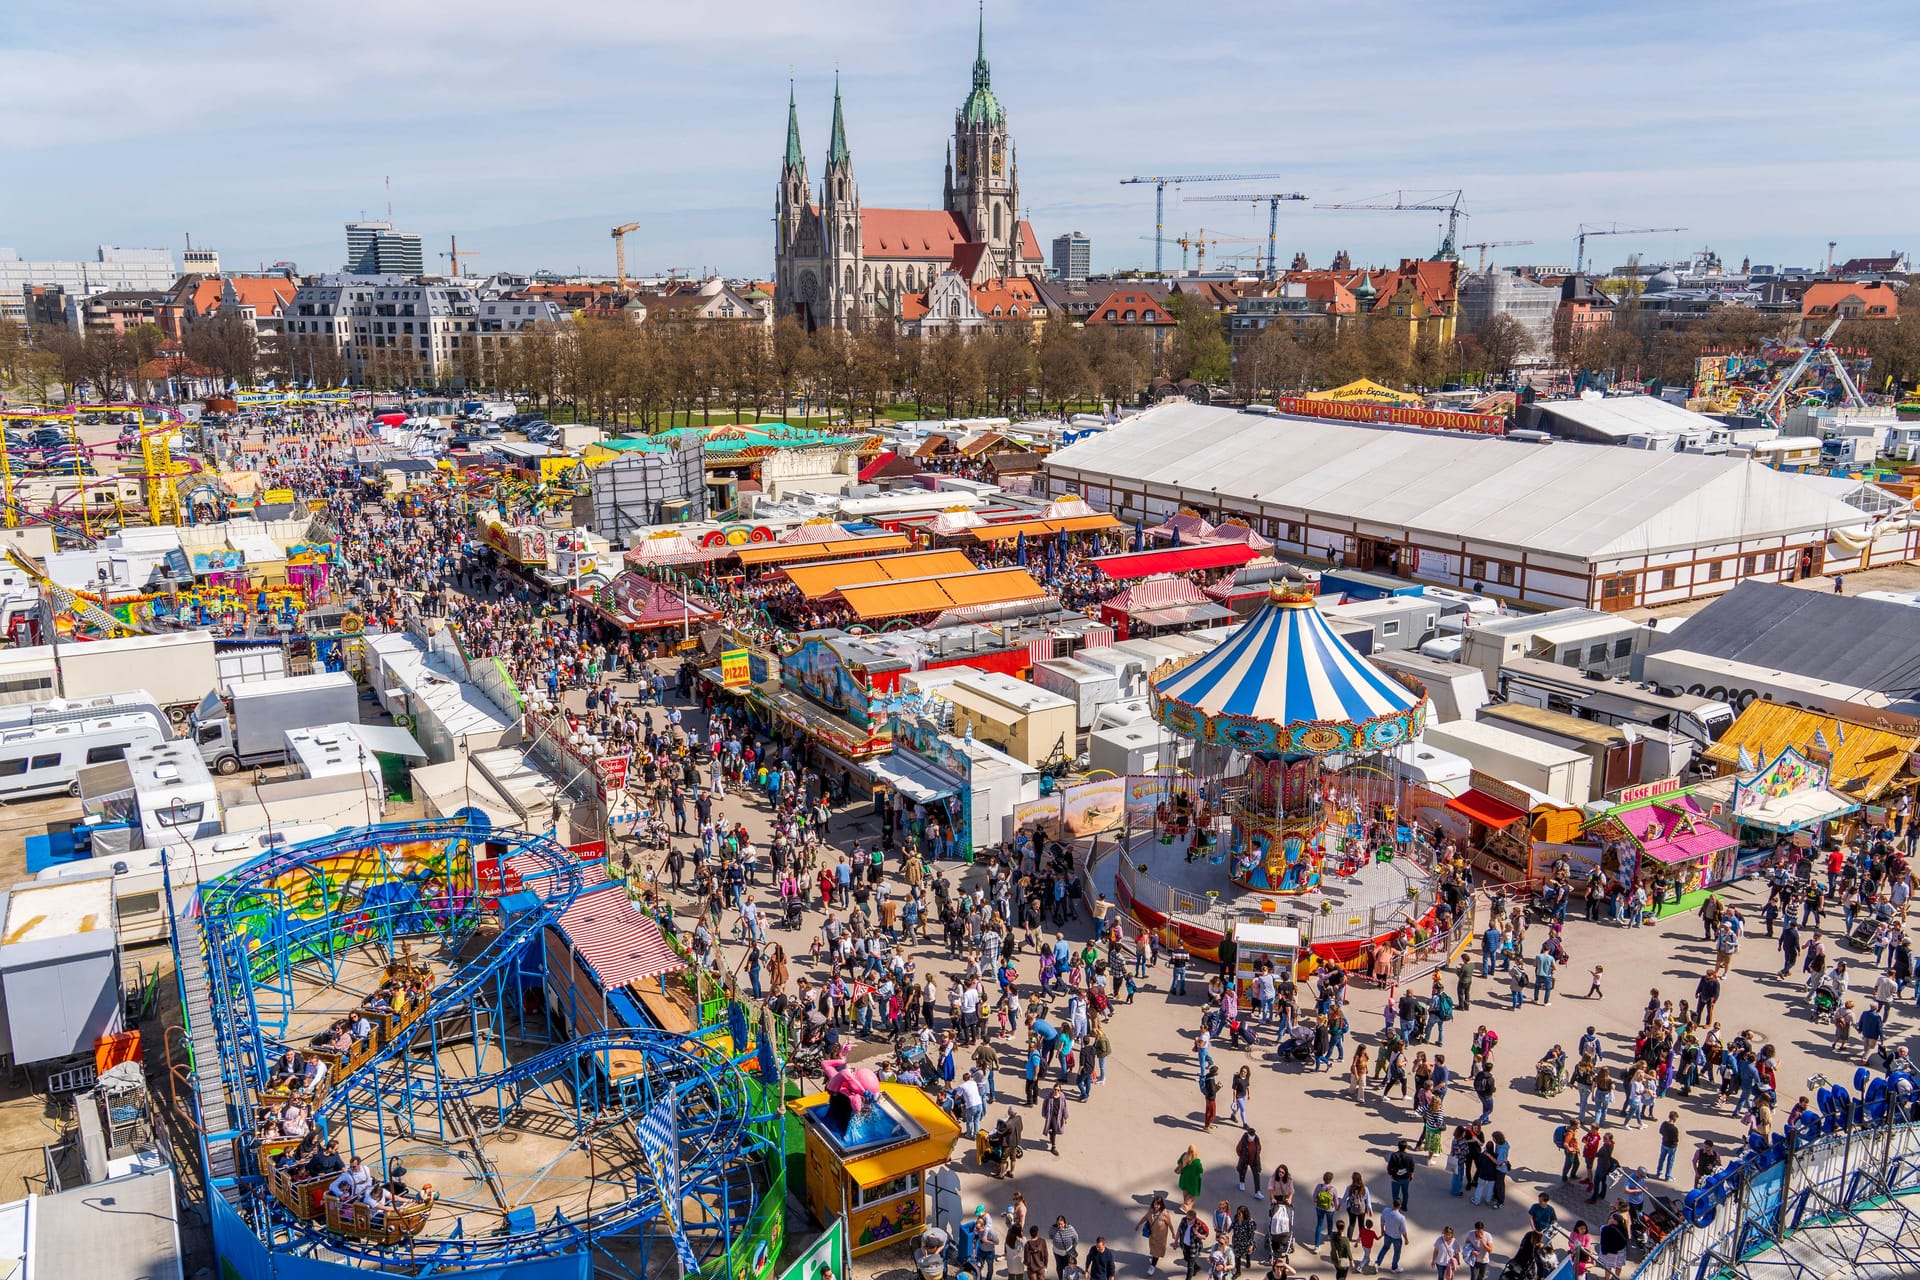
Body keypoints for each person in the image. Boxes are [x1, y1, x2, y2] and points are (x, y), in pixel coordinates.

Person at [1140, 1197, 1175, 1276]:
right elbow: (1145, 1217)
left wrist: (1173, 1234)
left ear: (1161, 1205)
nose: (1156, 1206)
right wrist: (1138, 1224)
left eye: (1158, 1205)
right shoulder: (1150, 1210)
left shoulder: (1165, 1213)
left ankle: (1152, 1266)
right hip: (1152, 1235)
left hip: (1161, 1237)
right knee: (1152, 1248)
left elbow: (1170, 1224)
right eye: (1155, 1204)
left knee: (1157, 1252)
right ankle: (1153, 1258)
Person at [1375, 1203, 1407, 1273]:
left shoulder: (1385, 1210)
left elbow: (1382, 1221)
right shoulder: (1401, 1217)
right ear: (1400, 1206)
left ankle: (1377, 1263)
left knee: (1385, 1248)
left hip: (1387, 1234)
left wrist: (1382, 1230)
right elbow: (1403, 1231)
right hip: (1396, 1238)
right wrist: (1406, 1239)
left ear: (1393, 1204)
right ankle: (1394, 1267)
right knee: (1397, 1252)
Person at [1386, 1140, 1415, 1210]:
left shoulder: (1394, 1155)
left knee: (1395, 1194)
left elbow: (1389, 1167)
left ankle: (1396, 1205)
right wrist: (1412, 1174)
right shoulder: (1409, 1156)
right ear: (1406, 1147)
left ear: (1398, 1147)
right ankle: (1404, 1206)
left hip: (1396, 1178)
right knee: (1405, 1193)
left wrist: (1390, 1175)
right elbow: (1412, 1167)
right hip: (1406, 1178)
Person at [1050, 1215, 1080, 1280]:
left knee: (1067, 1267)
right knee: (1059, 1267)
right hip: (1057, 1252)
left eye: (1061, 1224)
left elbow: (1076, 1238)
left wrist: (1073, 1248)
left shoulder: (1070, 1228)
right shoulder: (1053, 1228)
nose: (1059, 1226)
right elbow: (1050, 1235)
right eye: (1058, 1224)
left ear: (1064, 1223)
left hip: (1068, 1253)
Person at [1042, 1084, 1069, 1155]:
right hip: (1051, 1116)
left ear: (1060, 1090)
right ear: (1053, 1089)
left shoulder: (1062, 1097)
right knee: (1054, 1129)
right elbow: (1044, 1105)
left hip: (1059, 1116)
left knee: (1056, 1129)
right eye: (1055, 1089)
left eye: (1058, 1090)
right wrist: (1044, 1114)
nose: (1056, 1091)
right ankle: (1053, 1147)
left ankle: (1051, 1135)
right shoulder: (1049, 1097)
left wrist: (1065, 1117)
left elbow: (1064, 1107)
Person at [1237, 1126, 1263, 1193]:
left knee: (1256, 1174)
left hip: (1254, 1160)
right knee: (1242, 1171)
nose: (1252, 1138)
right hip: (1245, 1159)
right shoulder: (1243, 1141)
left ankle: (1257, 1191)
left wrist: (1256, 1155)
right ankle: (1242, 1182)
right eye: (1250, 1136)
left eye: (1253, 1136)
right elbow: (1238, 1149)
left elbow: (1259, 1147)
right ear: (1248, 1135)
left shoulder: (1256, 1139)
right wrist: (1242, 1157)